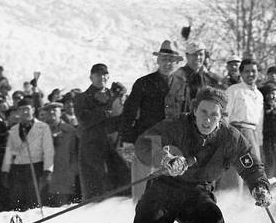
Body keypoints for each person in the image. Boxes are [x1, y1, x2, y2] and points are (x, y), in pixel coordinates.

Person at [78, 87, 272, 223]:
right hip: (164, 188)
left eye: (214, 115)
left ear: (221, 117)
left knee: (212, 221)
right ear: (194, 110)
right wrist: (165, 159)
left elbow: (251, 167)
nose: (207, 119)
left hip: (198, 191)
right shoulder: (176, 125)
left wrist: (260, 187)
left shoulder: (231, 138)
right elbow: (146, 143)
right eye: (203, 112)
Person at [118, 39, 184, 201]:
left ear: (177, 63)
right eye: (164, 59)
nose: (168, 63)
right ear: (158, 60)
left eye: (172, 60)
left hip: (173, 145)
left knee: (172, 193)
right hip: (146, 143)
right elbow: (129, 113)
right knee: (142, 193)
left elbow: (187, 114)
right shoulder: (143, 83)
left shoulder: (183, 85)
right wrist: (127, 141)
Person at [74, 62, 129, 200]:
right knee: (97, 192)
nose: (101, 78)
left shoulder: (116, 95)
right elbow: (84, 120)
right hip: (92, 148)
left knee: (123, 190)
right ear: (91, 77)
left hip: (114, 147)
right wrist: (107, 109)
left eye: (104, 74)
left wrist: (121, 97)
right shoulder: (82, 98)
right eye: (97, 75)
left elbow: (123, 118)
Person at [1, 98, 54, 212]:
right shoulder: (14, 129)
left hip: (36, 168)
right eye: (21, 109)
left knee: (34, 203)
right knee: (18, 203)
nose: (25, 112)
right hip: (18, 169)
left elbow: (48, 151)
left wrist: (47, 171)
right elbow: (9, 152)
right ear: (18, 112)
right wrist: (5, 171)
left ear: (33, 110)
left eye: (27, 109)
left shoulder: (43, 127)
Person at [40, 101, 80, 206]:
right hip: (43, 175)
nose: (52, 112)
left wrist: (72, 173)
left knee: (61, 208)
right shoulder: (39, 130)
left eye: (55, 110)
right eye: (49, 110)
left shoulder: (70, 130)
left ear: (60, 113)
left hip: (63, 176)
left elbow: (74, 153)